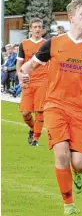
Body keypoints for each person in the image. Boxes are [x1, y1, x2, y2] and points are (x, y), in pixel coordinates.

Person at [18, 0, 82, 215]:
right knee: (61, 155)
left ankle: (77, 174)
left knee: (80, 163)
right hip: (55, 107)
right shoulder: (54, 43)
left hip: (81, 111)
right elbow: (31, 65)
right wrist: (22, 74)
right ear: (71, 17)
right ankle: (68, 204)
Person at [16, 18, 47, 146]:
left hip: (43, 80)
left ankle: (36, 139)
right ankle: (33, 129)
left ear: (42, 29)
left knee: (40, 111)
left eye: (40, 27)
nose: (37, 29)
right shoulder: (24, 44)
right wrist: (20, 76)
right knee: (25, 112)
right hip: (28, 81)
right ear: (30, 29)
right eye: (35, 27)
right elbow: (19, 63)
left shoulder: (47, 43)